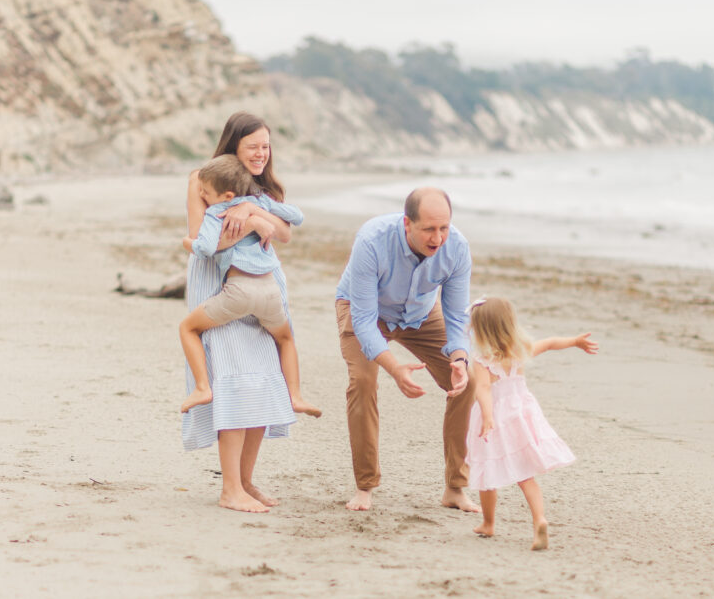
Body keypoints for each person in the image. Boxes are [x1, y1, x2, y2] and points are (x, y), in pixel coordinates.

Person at [180, 111, 309, 514]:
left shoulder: (265, 188)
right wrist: (251, 219)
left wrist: (253, 214)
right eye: (253, 146)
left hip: (265, 287)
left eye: (266, 147)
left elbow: (285, 234)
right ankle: (229, 489)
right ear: (233, 144)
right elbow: (207, 241)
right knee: (235, 382)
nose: (260, 154)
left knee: (262, 382)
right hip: (219, 285)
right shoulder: (206, 179)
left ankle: (246, 481)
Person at [335, 187, 477, 512]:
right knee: (363, 381)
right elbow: (365, 320)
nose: (438, 238)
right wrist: (394, 367)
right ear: (407, 223)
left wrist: (458, 357)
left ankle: (455, 488)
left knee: (468, 380)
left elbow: (457, 315)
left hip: (421, 314)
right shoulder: (372, 240)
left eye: (444, 227)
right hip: (366, 310)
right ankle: (365, 487)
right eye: (429, 228)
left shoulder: (457, 247)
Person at [178, 154, 320, 419]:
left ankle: (201, 388)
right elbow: (296, 216)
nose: (201, 195)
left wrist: (187, 242)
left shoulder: (216, 212)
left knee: (188, 328)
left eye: (205, 192)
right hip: (270, 291)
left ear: (226, 194)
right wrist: (256, 210)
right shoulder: (259, 201)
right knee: (286, 339)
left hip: (239, 292)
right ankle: (296, 396)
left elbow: (205, 248)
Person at [465, 297, 598, 550]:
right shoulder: (520, 349)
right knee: (526, 474)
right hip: (522, 413)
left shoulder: (483, 360)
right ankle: (539, 519)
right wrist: (575, 342)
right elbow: (548, 344)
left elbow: (482, 389)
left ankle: (488, 523)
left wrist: (488, 415)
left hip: (497, 416)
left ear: (481, 329)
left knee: (487, 471)